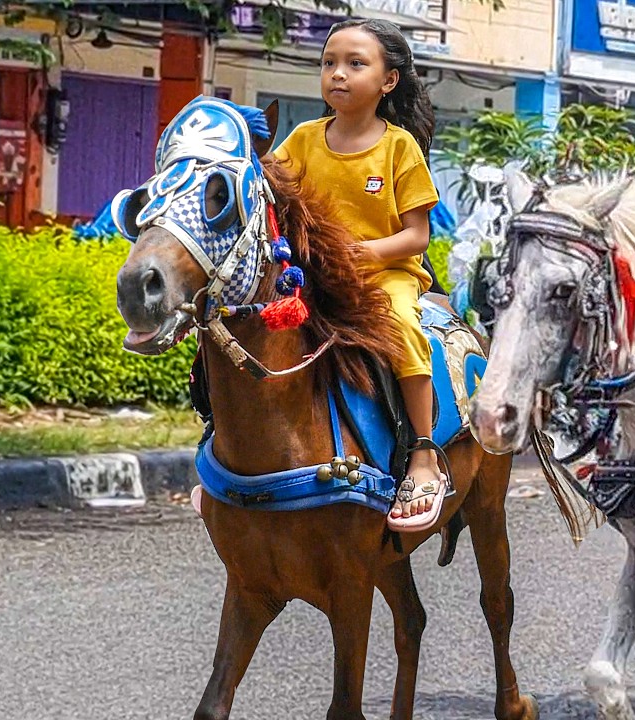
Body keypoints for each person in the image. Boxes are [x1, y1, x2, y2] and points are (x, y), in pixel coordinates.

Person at [274, 18, 447, 532]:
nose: (338, 75)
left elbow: (417, 237)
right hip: (313, 277)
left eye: (355, 64)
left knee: (403, 332)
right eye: (329, 63)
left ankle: (422, 454)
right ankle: (226, 446)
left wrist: (360, 253)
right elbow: (270, 195)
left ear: (387, 81)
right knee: (243, 323)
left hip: (384, 277)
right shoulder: (303, 140)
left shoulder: (398, 148)